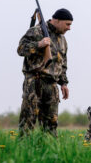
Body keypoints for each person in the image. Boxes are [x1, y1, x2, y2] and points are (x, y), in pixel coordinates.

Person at [17, 8, 73, 137]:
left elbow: (62, 63)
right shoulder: (37, 31)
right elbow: (20, 49)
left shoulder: (63, 40)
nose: (69, 28)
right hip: (35, 82)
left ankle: (50, 153)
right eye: (67, 24)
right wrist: (38, 45)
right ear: (57, 21)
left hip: (52, 86)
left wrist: (63, 83)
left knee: (51, 126)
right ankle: (22, 153)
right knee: (28, 122)